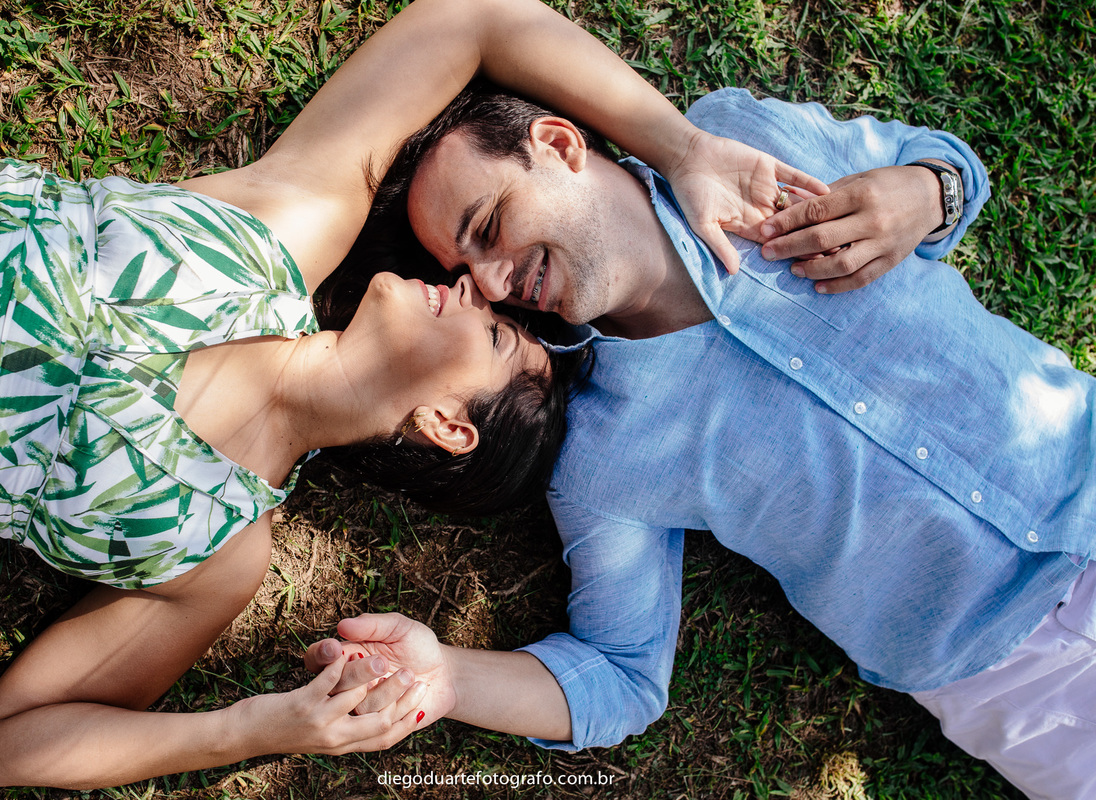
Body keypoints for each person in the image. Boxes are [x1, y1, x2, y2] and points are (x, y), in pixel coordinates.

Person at [0, 0, 825, 789]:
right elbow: (471, 17)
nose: (478, 285)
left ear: (446, 424)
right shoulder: (278, 234)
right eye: (474, 271)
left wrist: (255, 729)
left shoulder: (214, 545)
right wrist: (685, 146)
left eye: (497, 331)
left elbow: (10, 744)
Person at [307, 84, 1096, 799]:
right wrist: (443, 677)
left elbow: (943, 161)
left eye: (488, 227)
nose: (491, 283)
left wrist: (926, 191)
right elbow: (619, 677)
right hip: (1019, 682)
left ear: (558, 143)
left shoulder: (745, 136)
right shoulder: (597, 456)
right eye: (467, 270)